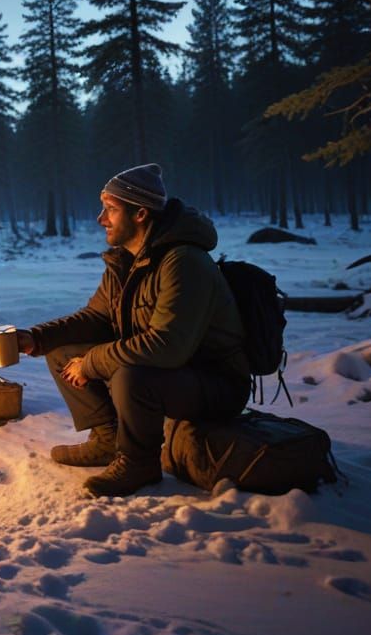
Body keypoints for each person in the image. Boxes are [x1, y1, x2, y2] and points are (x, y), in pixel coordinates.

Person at [16, 163, 250, 497]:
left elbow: (167, 345)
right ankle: (107, 440)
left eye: (111, 210)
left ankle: (139, 461)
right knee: (62, 352)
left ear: (140, 213)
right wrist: (36, 337)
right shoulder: (125, 259)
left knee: (130, 374)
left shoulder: (183, 262)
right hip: (172, 372)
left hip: (215, 382)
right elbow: (96, 317)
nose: (101, 219)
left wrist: (92, 362)